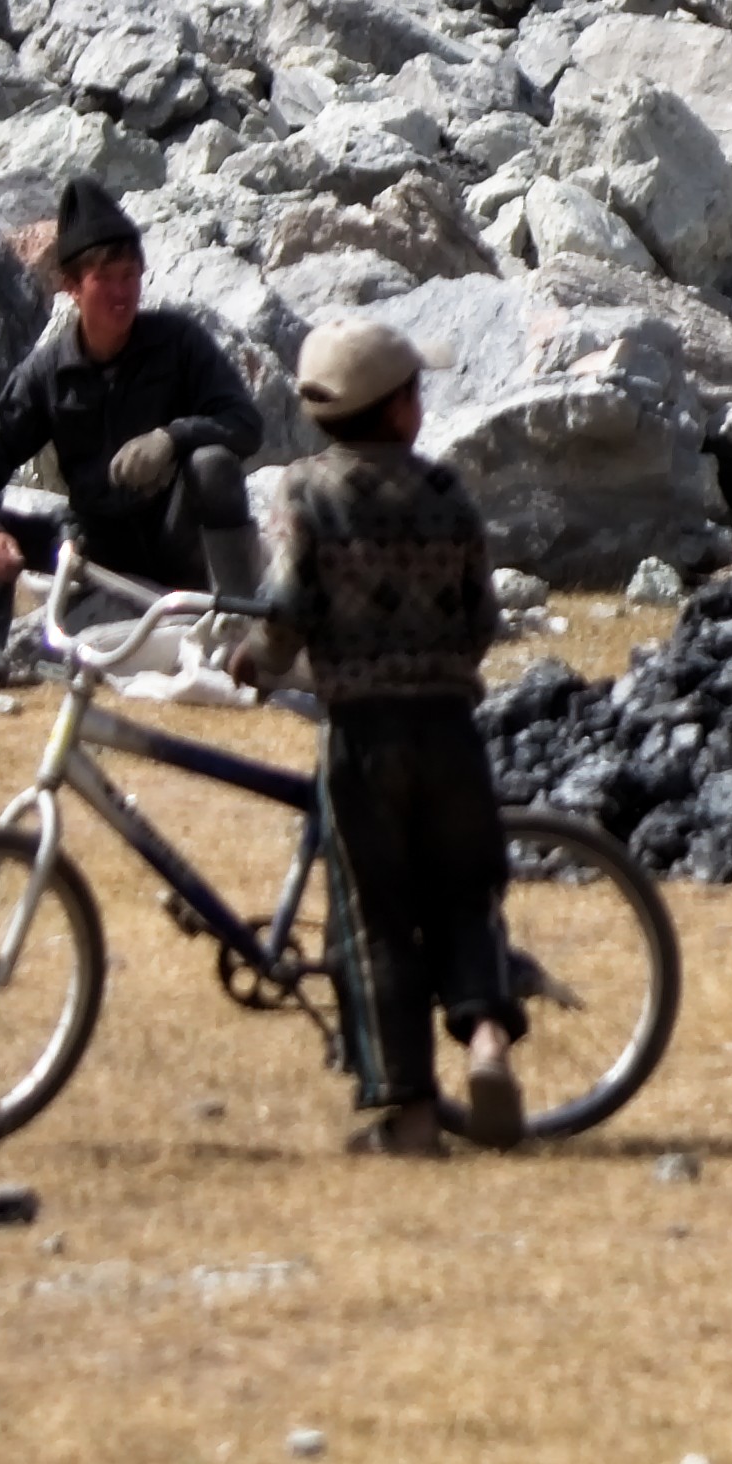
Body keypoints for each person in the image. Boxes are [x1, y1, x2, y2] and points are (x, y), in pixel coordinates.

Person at [242, 317, 528, 1159]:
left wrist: (254, 661)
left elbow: (287, 613)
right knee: (464, 897)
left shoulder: (306, 493)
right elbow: (482, 616)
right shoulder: (447, 493)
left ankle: (407, 1116)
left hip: (362, 740)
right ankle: (485, 1040)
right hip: (449, 731)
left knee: (372, 922)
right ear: (399, 409)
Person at [0, 179, 265, 685]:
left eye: (131, 275)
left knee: (211, 463)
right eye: (106, 277)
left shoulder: (180, 344)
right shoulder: (47, 373)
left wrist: (174, 437)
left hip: (180, 545)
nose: (123, 292)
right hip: (97, 549)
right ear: (70, 284)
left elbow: (245, 424)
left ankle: (236, 629)